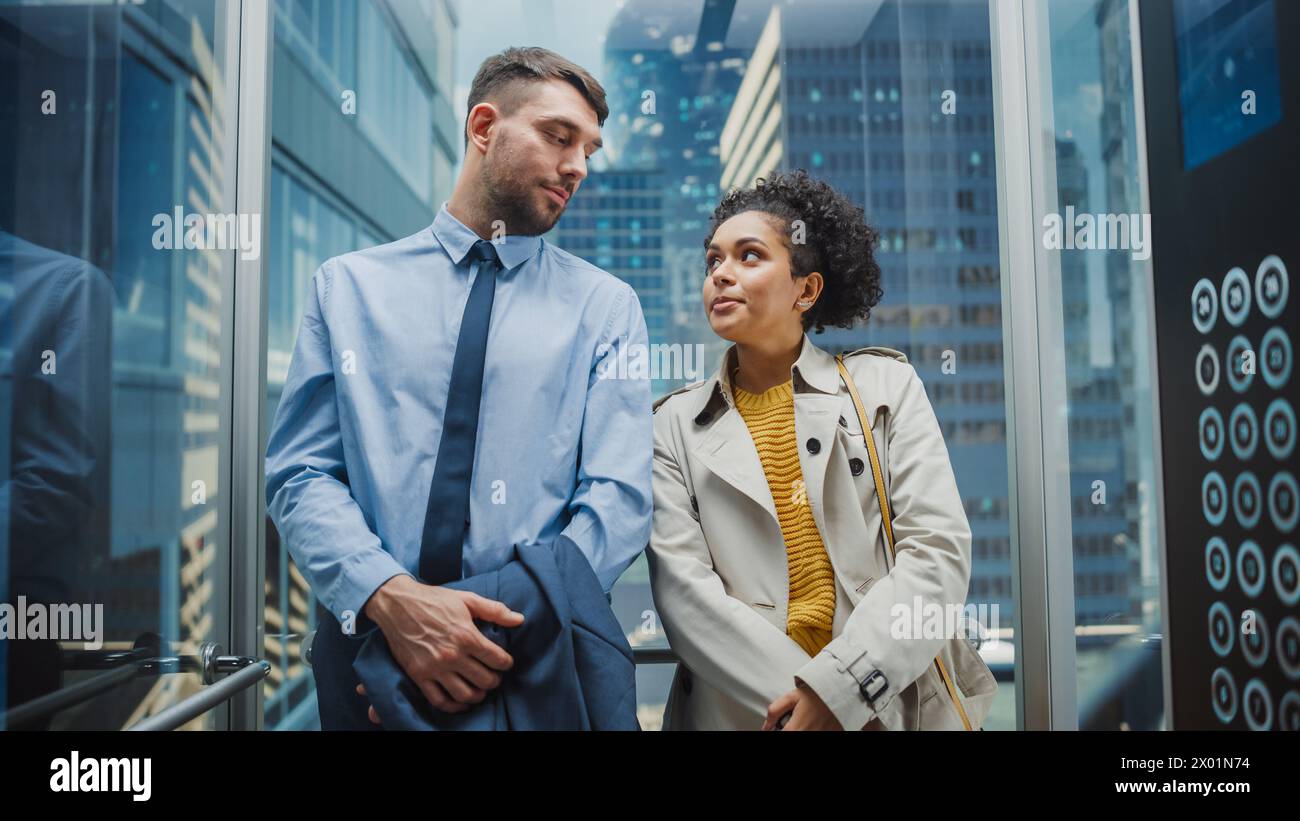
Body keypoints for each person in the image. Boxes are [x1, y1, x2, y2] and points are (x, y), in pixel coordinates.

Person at [265, 47, 652, 729]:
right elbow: (300, 475)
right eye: (558, 136)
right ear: (482, 127)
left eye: (589, 149)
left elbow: (615, 503)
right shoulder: (346, 288)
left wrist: (482, 641)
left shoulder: (606, 307)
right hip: (365, 668)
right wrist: (392, 602)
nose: (578, 167)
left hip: (531, 668)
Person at [647, 170, 997, 730]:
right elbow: (686, 600)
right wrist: (809, 707)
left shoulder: (885, 386)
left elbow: (936, 555)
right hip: (749, 716)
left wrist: (844, 692)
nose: (721, 275)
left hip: (885, 705)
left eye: (749, 256)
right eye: (713, 261)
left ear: (806, 291)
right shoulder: (672, 425)